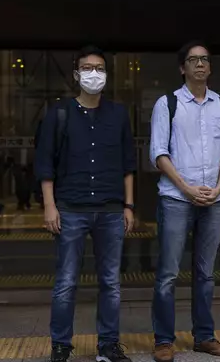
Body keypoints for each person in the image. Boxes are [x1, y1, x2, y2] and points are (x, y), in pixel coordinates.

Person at [34, 45, 136, 362]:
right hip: (70, 208)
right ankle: (61, 345)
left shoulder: (118, 114)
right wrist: (50, 206)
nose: (95, 73)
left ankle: (108, 345)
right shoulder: (59, 113)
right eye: (88, 68)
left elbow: (127, 164)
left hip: (110, 210)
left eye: (100, 68)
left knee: (111, 282)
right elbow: (44, 163)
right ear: (77, 74)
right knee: (66, 282)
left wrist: (129, 206)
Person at [149, 41, 220, 362]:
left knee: (206, 273)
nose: (200, 64)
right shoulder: (167, 104)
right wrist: (187, 188)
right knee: (169, 273)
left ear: (210, 68)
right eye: (192, 60)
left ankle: (204, 337)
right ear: (182, 68)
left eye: (204, 60)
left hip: (215, 201)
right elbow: (159, 154)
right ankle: (163, 340)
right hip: (176, 199)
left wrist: (218, 186)